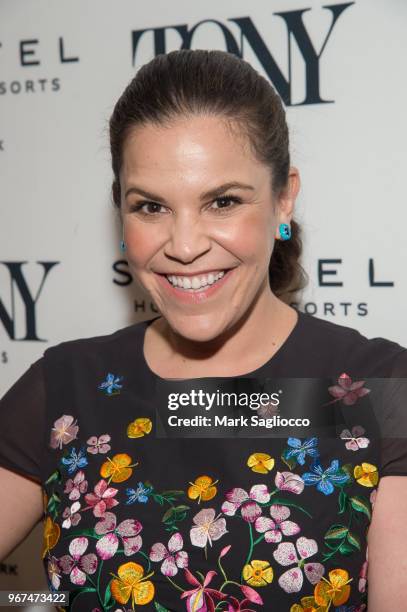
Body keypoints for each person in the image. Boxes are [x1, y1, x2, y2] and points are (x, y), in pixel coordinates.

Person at [0, 49, 406, 612]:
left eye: (222, 201)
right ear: (120, 210)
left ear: (283, 198)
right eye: (151, 207)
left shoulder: (379, 389)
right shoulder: (67, 387)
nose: (185, 245)